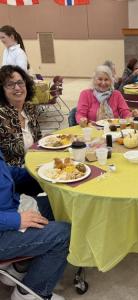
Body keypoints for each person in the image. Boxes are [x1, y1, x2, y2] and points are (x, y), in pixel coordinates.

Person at [0, 150, 70, 300]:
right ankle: (32, 293)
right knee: (64, 234)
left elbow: (5, 172)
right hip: (4, 226)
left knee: (61, 206)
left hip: (11, 207)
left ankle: (19, 267)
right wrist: (16, 220)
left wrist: (39, 175)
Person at [0, 65, 41, 167]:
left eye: (20, 82)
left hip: (35, 163)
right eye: (10, 84)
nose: (17, 88)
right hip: (12, 174)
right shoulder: (2, 116)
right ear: (2, 89)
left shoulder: (29, 109)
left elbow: (39, 141)